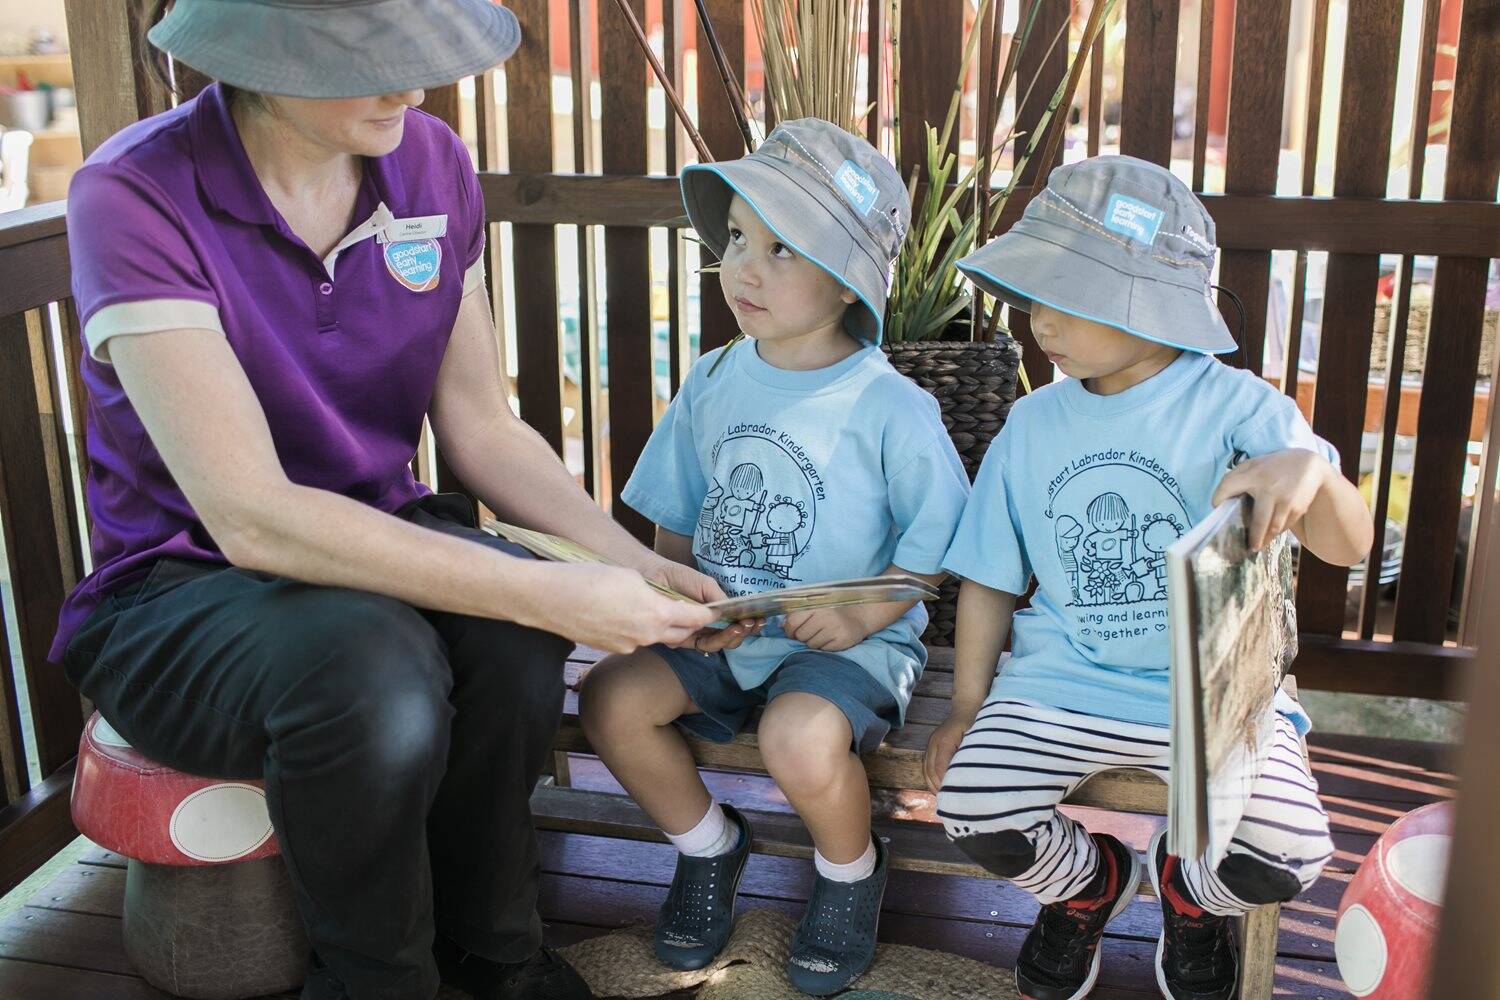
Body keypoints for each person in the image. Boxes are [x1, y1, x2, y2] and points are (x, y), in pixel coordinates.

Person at [54, 2, 738, 998]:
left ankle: (493, 951)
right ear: (261, 55)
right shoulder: (133, 192)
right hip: (175, 588)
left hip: (376, 539)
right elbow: (249, 514)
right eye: (369, 58)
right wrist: (541, 589)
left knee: (513, 639)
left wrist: (618, 559)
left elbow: (483, 429)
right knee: (383, 673)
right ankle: (376, 976)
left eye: (420, 56)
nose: (411, 86)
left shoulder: (431, 163)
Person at [925, 156, 1374, 1000]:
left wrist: (1310, 475)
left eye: (1064, 296)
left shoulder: (1243, 408)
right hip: (1061, 685)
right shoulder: (1032, 421)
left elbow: (1349, 546)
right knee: (974, 808)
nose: (1037, 319)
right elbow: (989, 577)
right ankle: (1090, 885)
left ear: (1152, 305)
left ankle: (1186, 892)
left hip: (1216, 701)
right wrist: (964, 707)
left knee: (1289, 856)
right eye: (1032, 294)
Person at [578, 119, 971, 996]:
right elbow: (675, 516)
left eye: (784, 250)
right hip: (730, 632)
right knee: (610, 698)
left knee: (800, 738)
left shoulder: (887, 404)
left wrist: (865, 614)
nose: (744, 269)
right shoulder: (716, 376)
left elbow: (941, 538)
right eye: (737, 242)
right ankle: (710, 847)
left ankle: (849, 874)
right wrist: (684, 602)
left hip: (851, 642)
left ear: (847, 289)